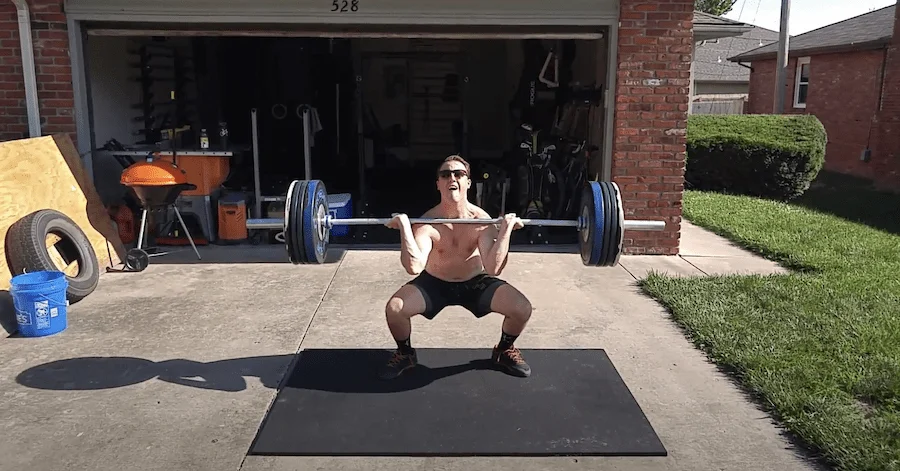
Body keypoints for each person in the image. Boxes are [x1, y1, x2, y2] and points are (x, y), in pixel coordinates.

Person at [379, 154, 534, 380]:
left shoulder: (482, 221)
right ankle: (405, 353)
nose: (452, 177)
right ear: (438, 184)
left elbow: (493, 268)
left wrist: (506, 231)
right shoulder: (427, 223)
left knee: (522, 308)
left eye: (458, 173)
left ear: (468, 182)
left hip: (476, 282)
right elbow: (414, 267)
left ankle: (503, 349)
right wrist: (404, 226)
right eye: (445, 174)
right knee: (395, 309)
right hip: (434, 283)